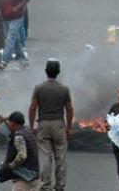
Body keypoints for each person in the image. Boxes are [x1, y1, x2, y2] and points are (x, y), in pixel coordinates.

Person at [29, 59, 73, 191]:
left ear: (46, 71)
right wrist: (68, 128)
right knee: (60, 157)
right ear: (58, 72)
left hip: (43, 123)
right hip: (59, 124)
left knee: (45, 156)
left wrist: (31, 126)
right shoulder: (64, 89)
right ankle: (60, 185)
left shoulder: (39, 88)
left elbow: (32, 107)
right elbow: (69, 109)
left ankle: (46, 185)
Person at [1, 112, 39, 190]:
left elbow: (22, 155)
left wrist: (10, 166)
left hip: (23, 179)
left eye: (9, 122)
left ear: (12, 123)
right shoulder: (28, 132)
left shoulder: (19, 136)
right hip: (33, 176)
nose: (8, 124)